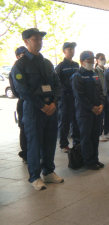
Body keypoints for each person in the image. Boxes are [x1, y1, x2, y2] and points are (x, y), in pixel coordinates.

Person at [11, 28, 64, 190]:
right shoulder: (20, 65)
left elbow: (57, 85)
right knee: (34, 144)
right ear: (26, 42)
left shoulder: (47, 63)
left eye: (41, 39)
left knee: (49, 141)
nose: (39, 42)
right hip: (34, 111)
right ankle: (34, 177)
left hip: (51, 109)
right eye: (35, 39)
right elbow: (22, 90)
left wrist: (54, 102)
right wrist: (42, 106)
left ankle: (48, 172)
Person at [71, 51, 105, 170]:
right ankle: (88, 161)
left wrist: (101, 104)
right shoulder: (77, 76)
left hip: (97, 111)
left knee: (95, 136)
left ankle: (95, 159)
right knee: (86, 138)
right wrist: (92, 107)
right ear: (82, 62)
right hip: (84, 113)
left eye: (92, 60)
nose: (91, 63)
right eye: (88, 61)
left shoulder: (94, 74)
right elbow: (80, 96)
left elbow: (101, 91)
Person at [55, 42, 80, 153]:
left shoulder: (76, 65)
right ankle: (63, 144)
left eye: (73, 49)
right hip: (65, 97)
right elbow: (56, 82)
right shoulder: (60, 67)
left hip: (75, 96)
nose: (72, 51)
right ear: (64, 51)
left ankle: (76, 141)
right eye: (69, 49)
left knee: (76, 119)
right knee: (64, 120)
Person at [9, 46, 28, 163]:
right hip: (23, 102)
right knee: (24, 128)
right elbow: (16, 91)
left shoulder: (30, 67)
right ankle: (25, 152)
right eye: (23, 54)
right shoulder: (15, 70)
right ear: (17, 56)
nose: (25, 55)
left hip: (33, 103)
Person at [94, 53, 109, 142]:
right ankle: (100, 134)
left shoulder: (106, 70)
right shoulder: (95, 71)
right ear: (97, 60)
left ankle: (107, 132)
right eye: (101, 59)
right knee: (100, 116)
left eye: (104, 59)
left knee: (108, 115)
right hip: (100, 96)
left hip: (107, 95)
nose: (103, 60)